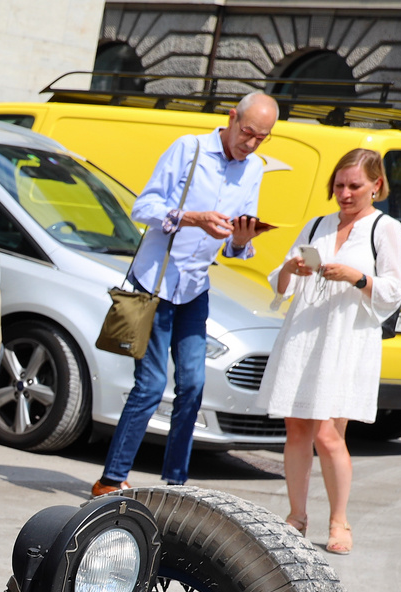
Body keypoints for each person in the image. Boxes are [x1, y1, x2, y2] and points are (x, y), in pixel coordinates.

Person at [92, 93, 277, 498]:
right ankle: (110, 479)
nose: (252, 143)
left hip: (195, 287)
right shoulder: (189, 149)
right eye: (247, 132)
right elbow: (143, 208)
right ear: (232, 118)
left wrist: (243, 240)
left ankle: (175, 483)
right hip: (155, 284)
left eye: (262, 138)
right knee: (152, 385)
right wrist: (193, 218)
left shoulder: (254, 171)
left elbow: (233, 247)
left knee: (193, 385)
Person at [258, 148, 401, 555]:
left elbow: (396, 289)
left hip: (346, 340)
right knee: (297, 428)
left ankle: (339, 520)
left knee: (328, 433)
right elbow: (279, 279)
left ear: (376, 186)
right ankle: (297, 515)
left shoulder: (385, 228)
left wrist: (356, 277)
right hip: (305, 333)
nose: (345, 193)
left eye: (354, 185)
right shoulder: (317, 224)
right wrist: (292, 269)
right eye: (339, 185)